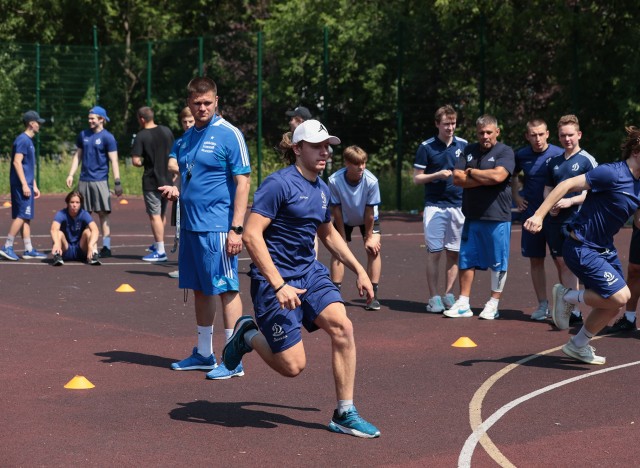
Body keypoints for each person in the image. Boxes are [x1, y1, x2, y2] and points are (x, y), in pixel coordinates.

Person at [221, 119, 381, 439]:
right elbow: (252, 235)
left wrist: (359, 270)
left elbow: (328, 234)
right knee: (293, 367)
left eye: (328, 147)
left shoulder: (322, 188)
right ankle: (247, 333)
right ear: (297, 149)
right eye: (317, 146)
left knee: (343, 326)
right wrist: (278, 285)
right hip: (275, 280)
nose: (326, 152)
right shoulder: (278, 184)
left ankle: (344, 412)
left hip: (309, 272)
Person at [159, 77, 251, 380]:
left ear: (216, 101)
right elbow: (185, 173)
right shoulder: (186, 139)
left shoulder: (229, 134)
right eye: (197, 103)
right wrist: (177, 192)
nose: (202, 108)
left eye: (207, 102)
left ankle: (233, 357)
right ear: (189, 103)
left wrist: (237, 228)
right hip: (190, 228)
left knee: (226, 288)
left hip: (218, 228)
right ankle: (203, 353)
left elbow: (243, 182)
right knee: (199, 288)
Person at [523, 126, 640, 365]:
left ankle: (578, 345)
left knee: (611, 305)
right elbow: (564, 186)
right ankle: (567, 296)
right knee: (621, 296)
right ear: (637, 151)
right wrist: (539, 215)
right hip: (581, 246)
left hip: (604, 249)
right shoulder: (611, 173)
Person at [444, 114, 515, 320]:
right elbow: (457, 179)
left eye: (489, 132)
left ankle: (493, 303)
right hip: (472, 215)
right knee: (466, 260)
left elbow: (499, 176)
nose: (485, 136)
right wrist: (487, 178)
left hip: (497, 217)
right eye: (481, 133)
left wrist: (473, 172)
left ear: (497, 132)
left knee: (498, 262)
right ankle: (464, 303)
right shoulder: (468, 150)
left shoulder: (505, 151)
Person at [543, 114, 598, 327]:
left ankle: (599, 305)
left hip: (579, 221)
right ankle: (573, 311)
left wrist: (570, 202)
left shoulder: (587, 160)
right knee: (562, 264)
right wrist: (550, 207)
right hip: (556, 222)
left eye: (571, 135)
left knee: (582, 264)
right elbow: (547, 190)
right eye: (563, 136)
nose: (567, 139)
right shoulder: (553, 162)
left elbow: (593, 192)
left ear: (579, 135)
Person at [412, 105, 467, 313]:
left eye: (453, 123)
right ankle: (434, 297)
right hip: (434, 207)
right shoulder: (426, 147)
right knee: (434, 253)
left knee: (453, 253)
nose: (450, 127)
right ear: (437, 124)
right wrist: (437, 175)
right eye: (446, 124)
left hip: (458, 206)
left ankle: (449, 295)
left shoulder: (464, 145)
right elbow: (417, 178)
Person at [512, 119, 564, 320]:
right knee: (536, 260)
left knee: (561, 261)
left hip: (554, 216)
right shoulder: (521, 155)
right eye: (533, 135)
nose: (538, 138)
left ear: (548, 134)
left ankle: (567, 306)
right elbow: (513, 176)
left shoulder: (559, 153)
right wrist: (516, 196)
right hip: (531, 215)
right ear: (527, 136)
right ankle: (542, 305)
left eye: (541, 134)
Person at [329, 145, 382, 310]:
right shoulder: (334, 180)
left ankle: (372, 296)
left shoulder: (371, 181)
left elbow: (370, 213)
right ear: (346, 163)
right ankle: (336, 295)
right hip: (343, 218)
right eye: (357, 164)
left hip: (368, 217)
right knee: (338, 251)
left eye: (364, 163)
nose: (362, 167)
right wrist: (342, 239)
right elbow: (336, 210)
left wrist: (368, 237)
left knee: (373, 249)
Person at [66, 106, 122, 258]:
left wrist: (117, 181)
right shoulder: (83, 135)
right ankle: (86, 245)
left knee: (103, 214)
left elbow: (114, 160)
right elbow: (77, 156)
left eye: (93, 118)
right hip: (84, 180)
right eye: (89, 118)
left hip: (100, 181)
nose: (90, 121)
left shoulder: (108, 137)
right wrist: (71, 174)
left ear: (101, 119)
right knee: (84, 214)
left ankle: (107, 247)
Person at [0, 111, 48, 262]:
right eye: (38, 122)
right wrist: (24, 184)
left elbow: (28, 166)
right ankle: (7, 246)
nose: (39, 125)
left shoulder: (29, 141)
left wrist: (33, 185)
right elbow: (17, 162)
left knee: (26, 217)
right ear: (31, 123)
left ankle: (28, 249)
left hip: (26, 183)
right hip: (21, 185)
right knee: (22, 215)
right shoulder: (23, 140)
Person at [131, 106, 175, 262]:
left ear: (142, 119)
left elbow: (136, 160)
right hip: (168, 179)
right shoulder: (166, 131)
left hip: (152, 180)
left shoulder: (141, 135)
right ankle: (158, 244)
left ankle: (160, 250)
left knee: (154, 216)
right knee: (161, 214)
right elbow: (174, 152)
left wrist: (141, 162)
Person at [167, 107, 195, 279]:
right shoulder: (180, 142)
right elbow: (171, 165)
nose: (187, 124)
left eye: (190, 121)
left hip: (202, 195)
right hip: (184, 193)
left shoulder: (205, 138)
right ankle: (184, 267)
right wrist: (188, 169)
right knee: (182, 230)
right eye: (184, 121)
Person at [50, 191, 101, 266]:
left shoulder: (84, 214)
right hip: (65, 249)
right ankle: (57, 255)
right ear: (67, 203)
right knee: (59, 233)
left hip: (81, 249)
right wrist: (57, 243)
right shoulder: (61, 214)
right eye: (72, 202)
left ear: (81, 204)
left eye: (77, 202)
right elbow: (54, 229)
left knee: (88, 231)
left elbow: (95, 230)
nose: (74, 205)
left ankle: (93, 255)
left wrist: (90, 245)